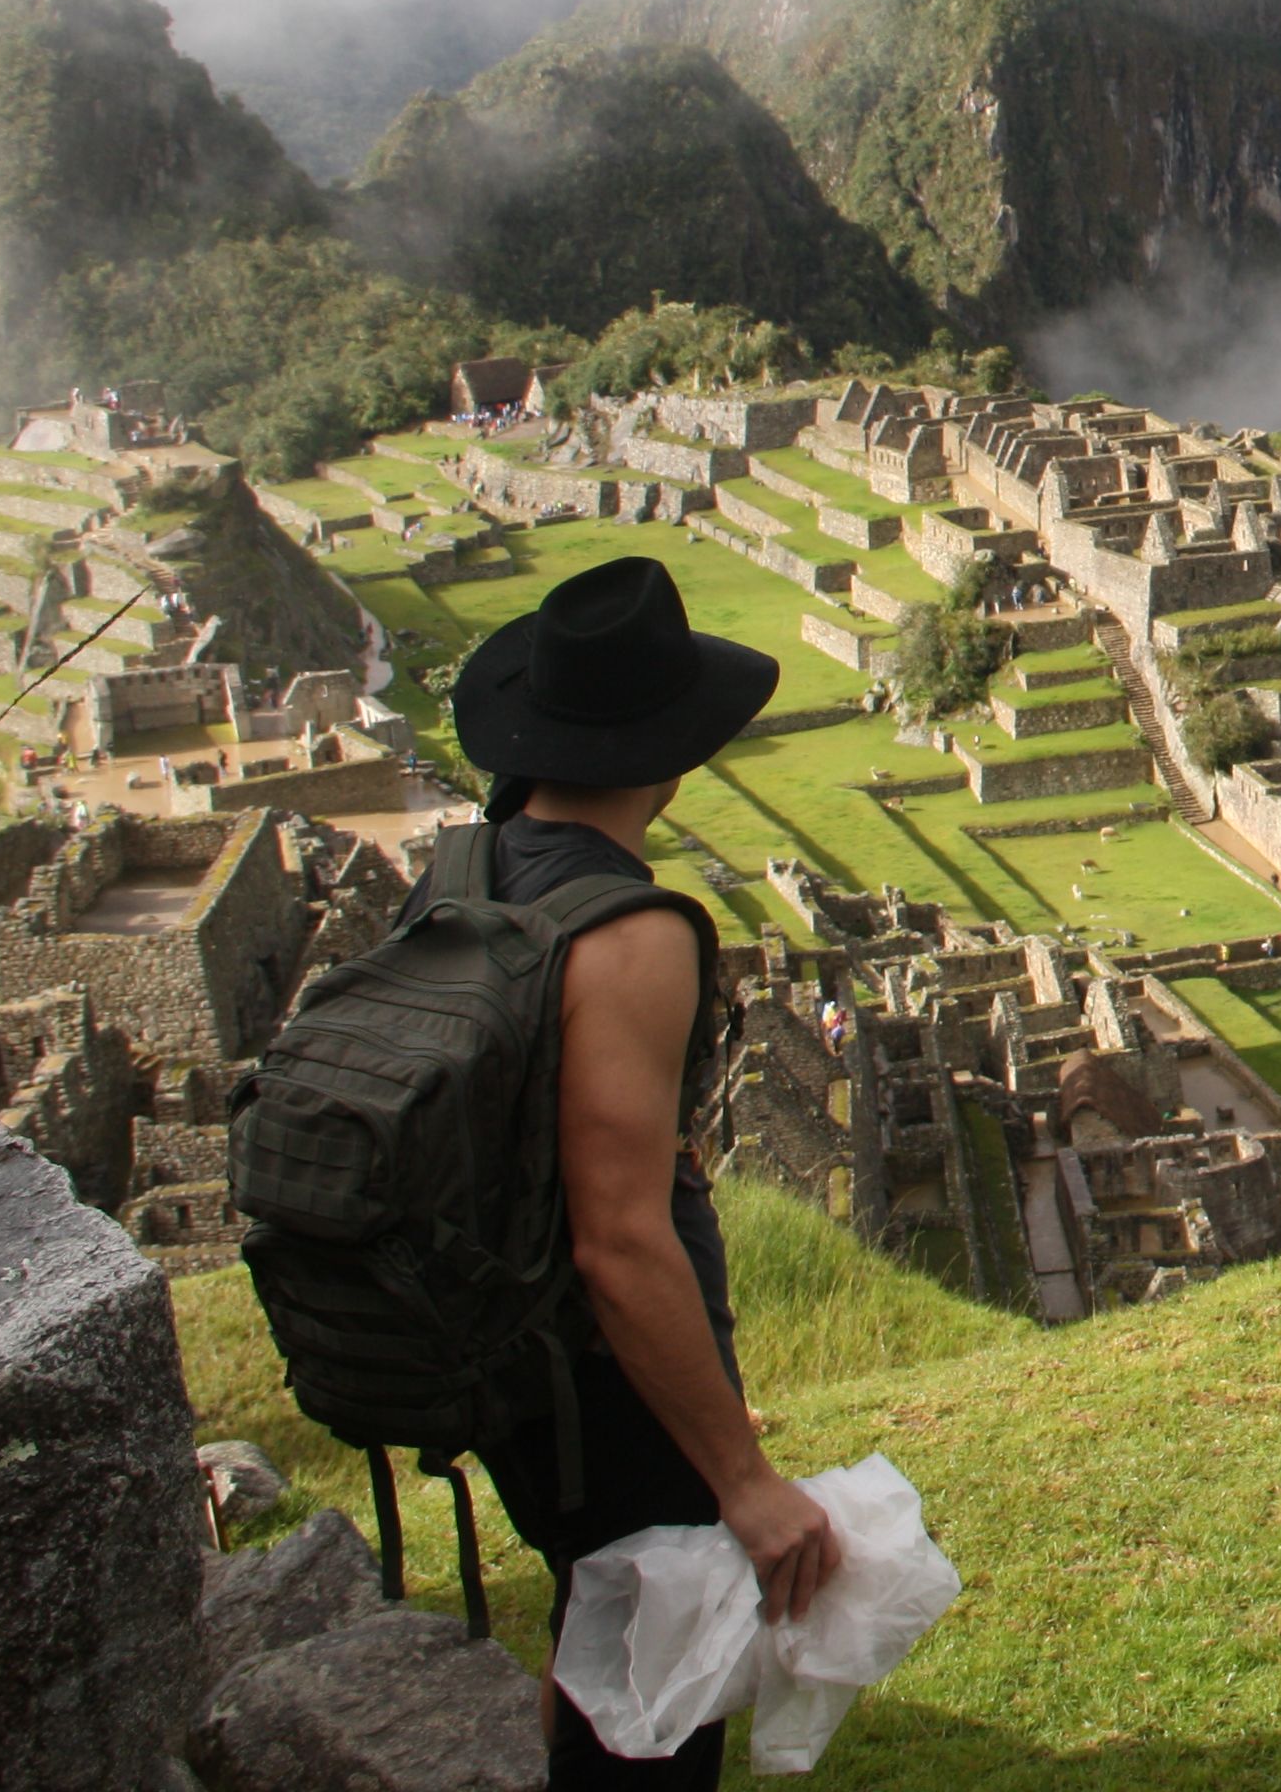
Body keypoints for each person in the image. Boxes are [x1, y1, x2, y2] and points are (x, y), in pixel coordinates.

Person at [447, 557, 843, 1787]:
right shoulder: (630, 937)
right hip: (607, 1389)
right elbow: (620, 1238)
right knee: (665, 1711)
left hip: (501, 1356)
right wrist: (744, 1478)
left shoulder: (474, 867)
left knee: (598, 1636)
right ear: (670, 753)